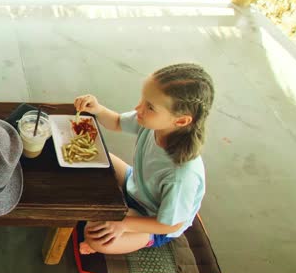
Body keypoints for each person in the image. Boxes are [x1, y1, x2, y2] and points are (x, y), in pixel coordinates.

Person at [75, 63, 214, 254]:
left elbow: (170, 225)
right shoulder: (152, 123)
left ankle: (138, 237)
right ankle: (119, 210)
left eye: (149, 106)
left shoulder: (182, 175)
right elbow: (116, 122)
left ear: (181, 120)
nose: (138, 108)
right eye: (143, 100)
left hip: (152, 219)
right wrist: (98, 109)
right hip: (136, 184)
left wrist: (124, 225)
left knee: (96, 237)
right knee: (89, 155)